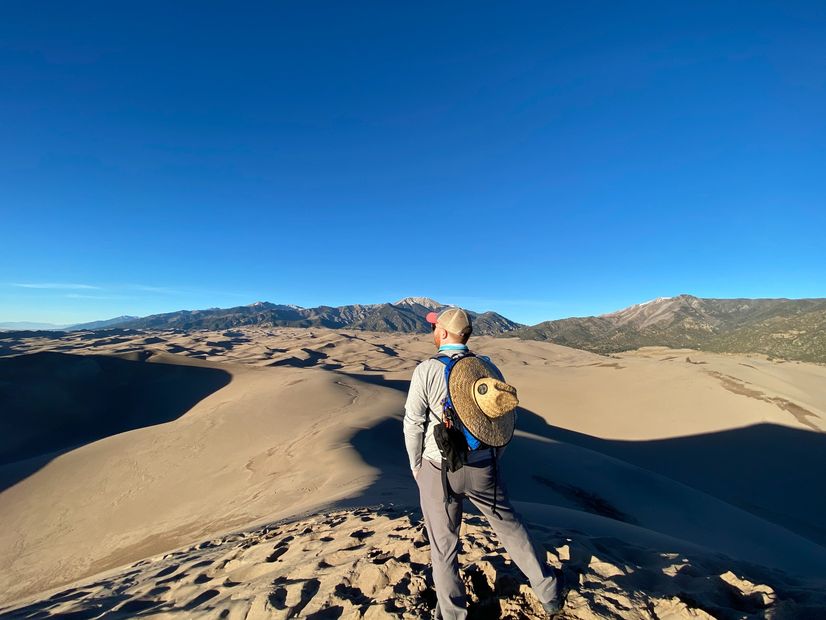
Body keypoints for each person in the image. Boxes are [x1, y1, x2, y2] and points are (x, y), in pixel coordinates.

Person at [403, 307, 566, 619]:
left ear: (444, 334)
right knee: (511, 529)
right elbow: (506, 414)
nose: (433, 331)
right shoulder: (487, 367)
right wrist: (494, 456)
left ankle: (452, 614)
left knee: (444, 547)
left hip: (438, 470)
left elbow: (412, 424)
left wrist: (416, 466)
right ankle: (548, 593)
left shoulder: (426, 370)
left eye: (436, 327)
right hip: (483, 467)